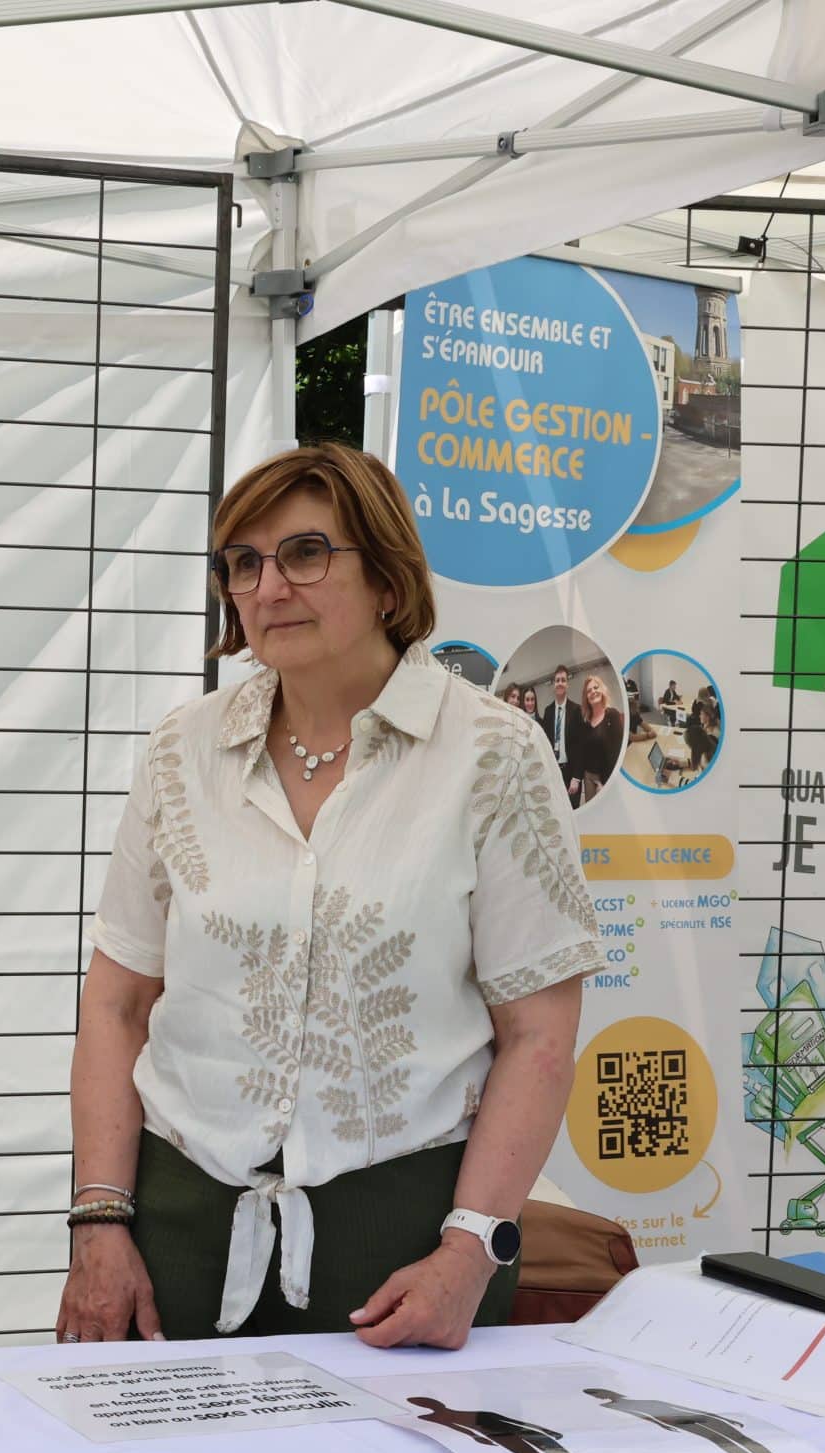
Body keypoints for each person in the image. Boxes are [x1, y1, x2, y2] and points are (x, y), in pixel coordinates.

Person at [56, 444, 603, 1349]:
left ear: (387, 578)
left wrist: (468, 1253)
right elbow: (116, 1006)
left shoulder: (494, 757)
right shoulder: (180, 752)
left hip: (406, 1245)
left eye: (306, 553)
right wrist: (99, 1224)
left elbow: (539, 1037)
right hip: (172, 1232)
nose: (269, 587)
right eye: (244, 562)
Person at [407, 1397, 606, 1453]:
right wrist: (477, 1438)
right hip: (506, 1439)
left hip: (521, 1434)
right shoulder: (439, 1419)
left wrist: (546, 1430)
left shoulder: (479, 1413)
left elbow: (515, 1422)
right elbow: (462, 1430)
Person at [584, 1386, 789, 1453]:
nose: (602, 1396)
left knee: (742, 1439)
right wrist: (663, 1425)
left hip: (697, 1417)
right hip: (681, 1423)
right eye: (597, 1395)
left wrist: (722, 1417)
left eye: (600, 1392)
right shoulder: (614, 1407)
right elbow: (643, 1415)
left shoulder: (641, 1396)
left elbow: (680, 1407)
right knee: (725, 1443)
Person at [565, 673, 621, 805]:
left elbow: (616, 753)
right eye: (589, 691)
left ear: (602, 690)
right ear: (586, 697)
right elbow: (581, 751)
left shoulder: (612, 715)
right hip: (588, 777)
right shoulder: (585, 721)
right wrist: (576, 778)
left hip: (606, 777)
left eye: (596, 688)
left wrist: (605, 783)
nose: (593, 692)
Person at [536, 664, 577, 794]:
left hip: (570, 772)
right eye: (557, 680)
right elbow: (546, 742)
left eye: (563, 680)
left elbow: (580, 745)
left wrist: (577, 777)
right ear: (554, 684)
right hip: (553, 770)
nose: (560, 683)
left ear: (567, 684)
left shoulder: (576, 710)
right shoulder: (548, 711)